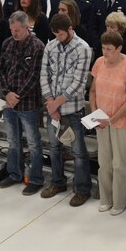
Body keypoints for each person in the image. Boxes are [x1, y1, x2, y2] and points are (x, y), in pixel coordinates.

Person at [39, 13, 92, 204]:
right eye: (55, 35)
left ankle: (83, 188)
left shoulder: (83, 48)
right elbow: (44, 75)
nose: (58, 38)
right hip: (52, 108)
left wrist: (56, 103)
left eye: (61, 34)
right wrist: (50, 102)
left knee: (78, 152)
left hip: (72, 109)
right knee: (54, 147)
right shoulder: (51, 46)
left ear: (70, 29)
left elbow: (79, 83)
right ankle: (58, 181)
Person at [90, 31, 126, 215]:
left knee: (119, 163)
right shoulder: (99, 63)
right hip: (101, 119)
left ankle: (119, 201)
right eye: (103, 48)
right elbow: (93, 91)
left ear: (119, 48)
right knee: (104, 162)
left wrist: (112, 119)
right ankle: (106, 198)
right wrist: (95, 113)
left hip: (121, 120)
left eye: (109, 49)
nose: (105, 52)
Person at [0, 11, 46, 194]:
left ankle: (35, 178)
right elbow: (1, 70)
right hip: (9, 102)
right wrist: (7, 93)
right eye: (12, 30)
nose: (14, 33)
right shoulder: (7, 44)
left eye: (17, 30)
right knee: (13, 140)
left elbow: (35, 77)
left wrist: (16, 95)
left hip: (28, 104)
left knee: (33, 143)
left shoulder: (37, 47)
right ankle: (14, 173)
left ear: (27, 27)